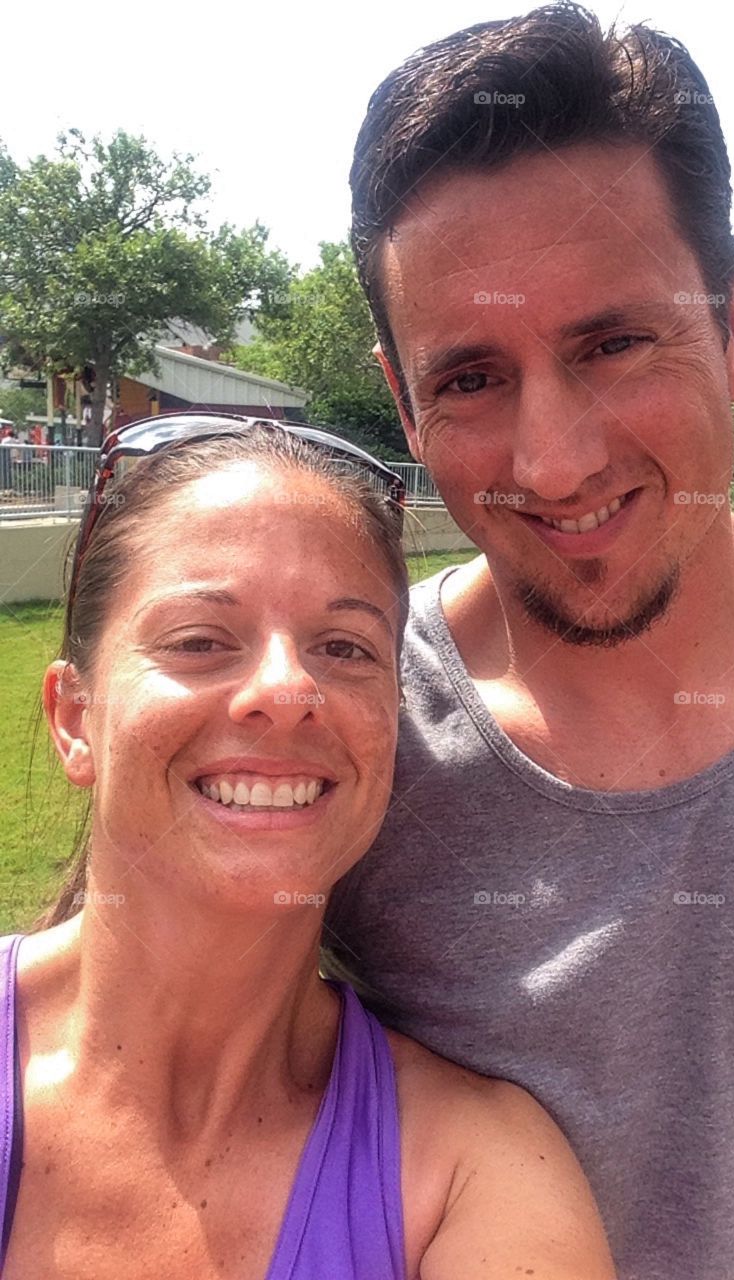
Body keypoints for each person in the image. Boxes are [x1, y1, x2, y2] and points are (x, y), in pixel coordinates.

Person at [323, 7, 734, 1279]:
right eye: (469, 379)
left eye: (613, 343)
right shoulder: (344, 730)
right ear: (402, 397)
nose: (553, 460)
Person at [0, 413, 616, 1280]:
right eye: (201, 641)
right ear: (74, 720)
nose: (287, 690)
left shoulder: (477, 1176)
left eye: (344, 647)